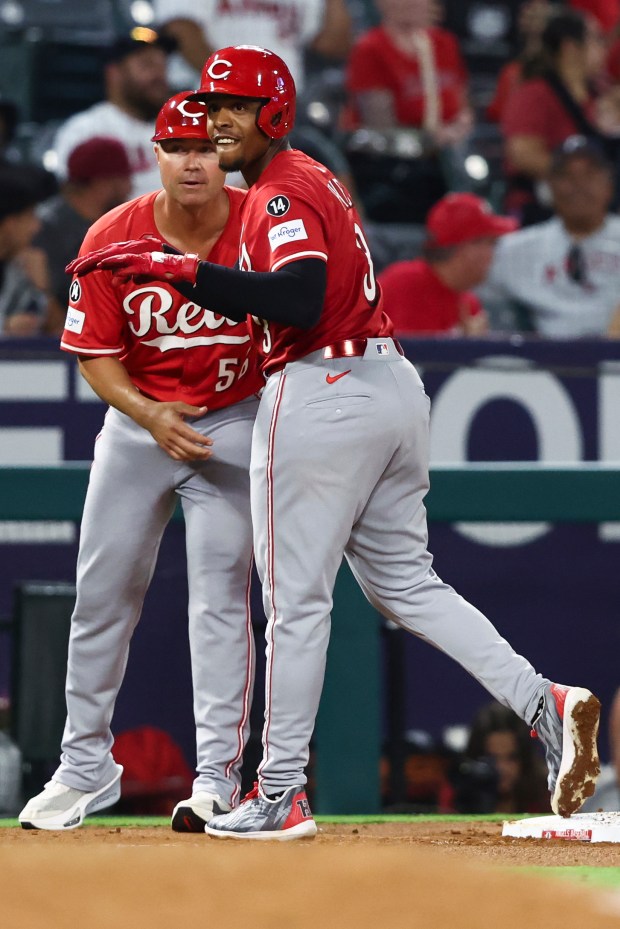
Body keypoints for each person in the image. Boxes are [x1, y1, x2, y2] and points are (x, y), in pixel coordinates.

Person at [68, 46, 602, 841]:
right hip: (386, 384)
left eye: (235, 107)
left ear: (273, 113)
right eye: (211, 105)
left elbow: (300, 293)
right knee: (408, 586)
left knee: (294, 602)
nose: (217, 120)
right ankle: (544, 701)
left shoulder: (279, 191)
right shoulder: (308, 177)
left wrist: (182, 272)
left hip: (323, 388)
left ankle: (279, 788)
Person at [18, 91, 263, 833]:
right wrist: (148, 414)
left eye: (206, 148)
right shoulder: (115, 231)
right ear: (154, 155)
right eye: (177, 148)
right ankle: (83, 767)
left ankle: (217, 776)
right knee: (100, 595)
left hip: (236, 417)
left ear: (226, 155)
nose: (193, 161)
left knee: (221, 602)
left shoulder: (261, 223)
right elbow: (93, 353)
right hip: (138, 422)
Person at [344, 0, 473, 223]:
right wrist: (430, 138)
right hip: (392, 169)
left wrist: (456, 131)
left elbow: (463, 106)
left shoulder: (445, 43)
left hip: (448, 158)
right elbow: (380, 122)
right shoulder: (370, 48)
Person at [483, 135, 620, 337]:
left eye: (589, 175)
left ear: (609, 185)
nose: (578, 186)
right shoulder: (516, 249)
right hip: (542, 358)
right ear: (549, 187)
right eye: (566, 176)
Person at [500, 8, 608, 224]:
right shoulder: (535, 93)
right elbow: (523, 155)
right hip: (541, 209)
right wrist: (582, 180)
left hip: (591, 210)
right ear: (570, 48)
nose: (603, 49)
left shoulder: (598, 94)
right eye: (596, 40)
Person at [30, 137, 133, 338]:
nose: (130, 188)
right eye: (125, 179)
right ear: (104, 183)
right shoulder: (43, 228)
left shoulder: (112, 226)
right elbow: (51, 307)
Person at [378, 192, 516, 337]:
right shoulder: (405, 284)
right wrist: (464, 345)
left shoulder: (468, 303)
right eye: (490, 243)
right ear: (461, 247)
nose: (493, 254)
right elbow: (402, 354)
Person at [52, 35, 172, 199]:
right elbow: (75, 199)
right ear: (114, 73)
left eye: (163, 66)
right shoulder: (87, 129)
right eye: (147, 64)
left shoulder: (184, 127)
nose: (159, 75)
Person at [153, 0, 352, 94]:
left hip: (280, 106)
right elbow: (181, 29)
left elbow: (333, 44)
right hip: (206, 97)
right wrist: (238, 83)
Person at [443, 702, 550, 814]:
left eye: (511, 758)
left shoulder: (550, 796)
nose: (502, 768)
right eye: (491, 758)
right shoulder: (454, 795)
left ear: (526, 759)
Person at [0, 163, 51, 336]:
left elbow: (56, 330)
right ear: (10, 224)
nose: (36, 227)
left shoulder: (21, 265)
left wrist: (41, 286)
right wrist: (5, 327)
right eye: (30, 217)